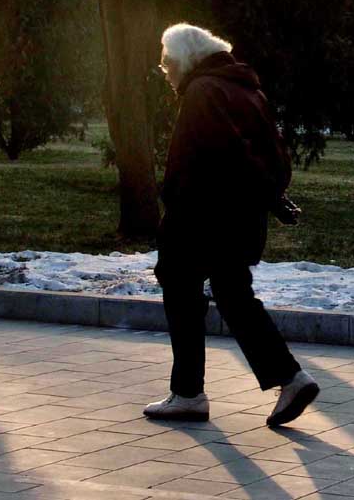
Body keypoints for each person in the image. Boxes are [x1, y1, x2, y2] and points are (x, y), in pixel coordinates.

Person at [144, 23, 318, 427]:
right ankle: (291, 378)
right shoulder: (246, 89)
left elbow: (230, 153)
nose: (164, 68)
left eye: (168, 60)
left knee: (182, 294)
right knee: (234, 297)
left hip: (202, 218)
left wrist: (176, 203)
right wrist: (271, 197)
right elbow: (273, 157)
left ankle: (188, 393)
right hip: (238, 219)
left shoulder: (204, 92)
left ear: (187, 58)